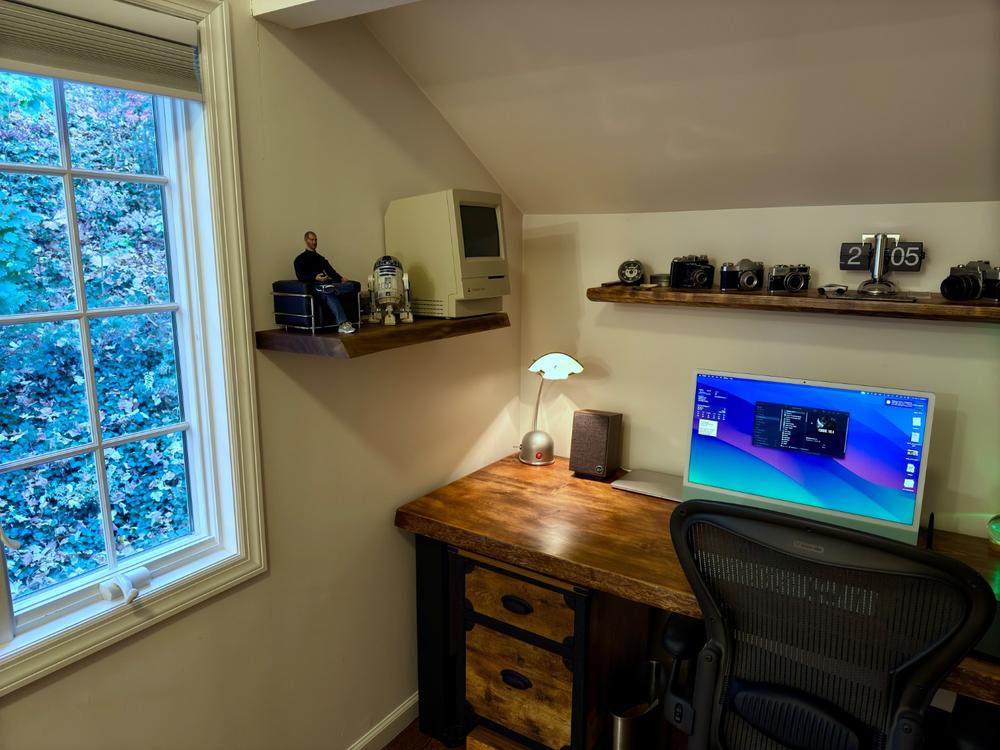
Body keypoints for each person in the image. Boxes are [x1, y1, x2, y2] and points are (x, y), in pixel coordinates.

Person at [294, 231, 356, 334]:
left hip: (327, 284)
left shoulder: (320, 258)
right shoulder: (299, 259)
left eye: (316, 240)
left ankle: (331, 289)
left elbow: (331, 271)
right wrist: (315, 277)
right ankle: (342, 324)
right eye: (312, 240)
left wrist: (341, 279)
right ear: (306, 240)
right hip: (315, 287)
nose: (314, 242)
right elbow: (300, 276)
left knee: (351, 286)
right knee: (328, 293)